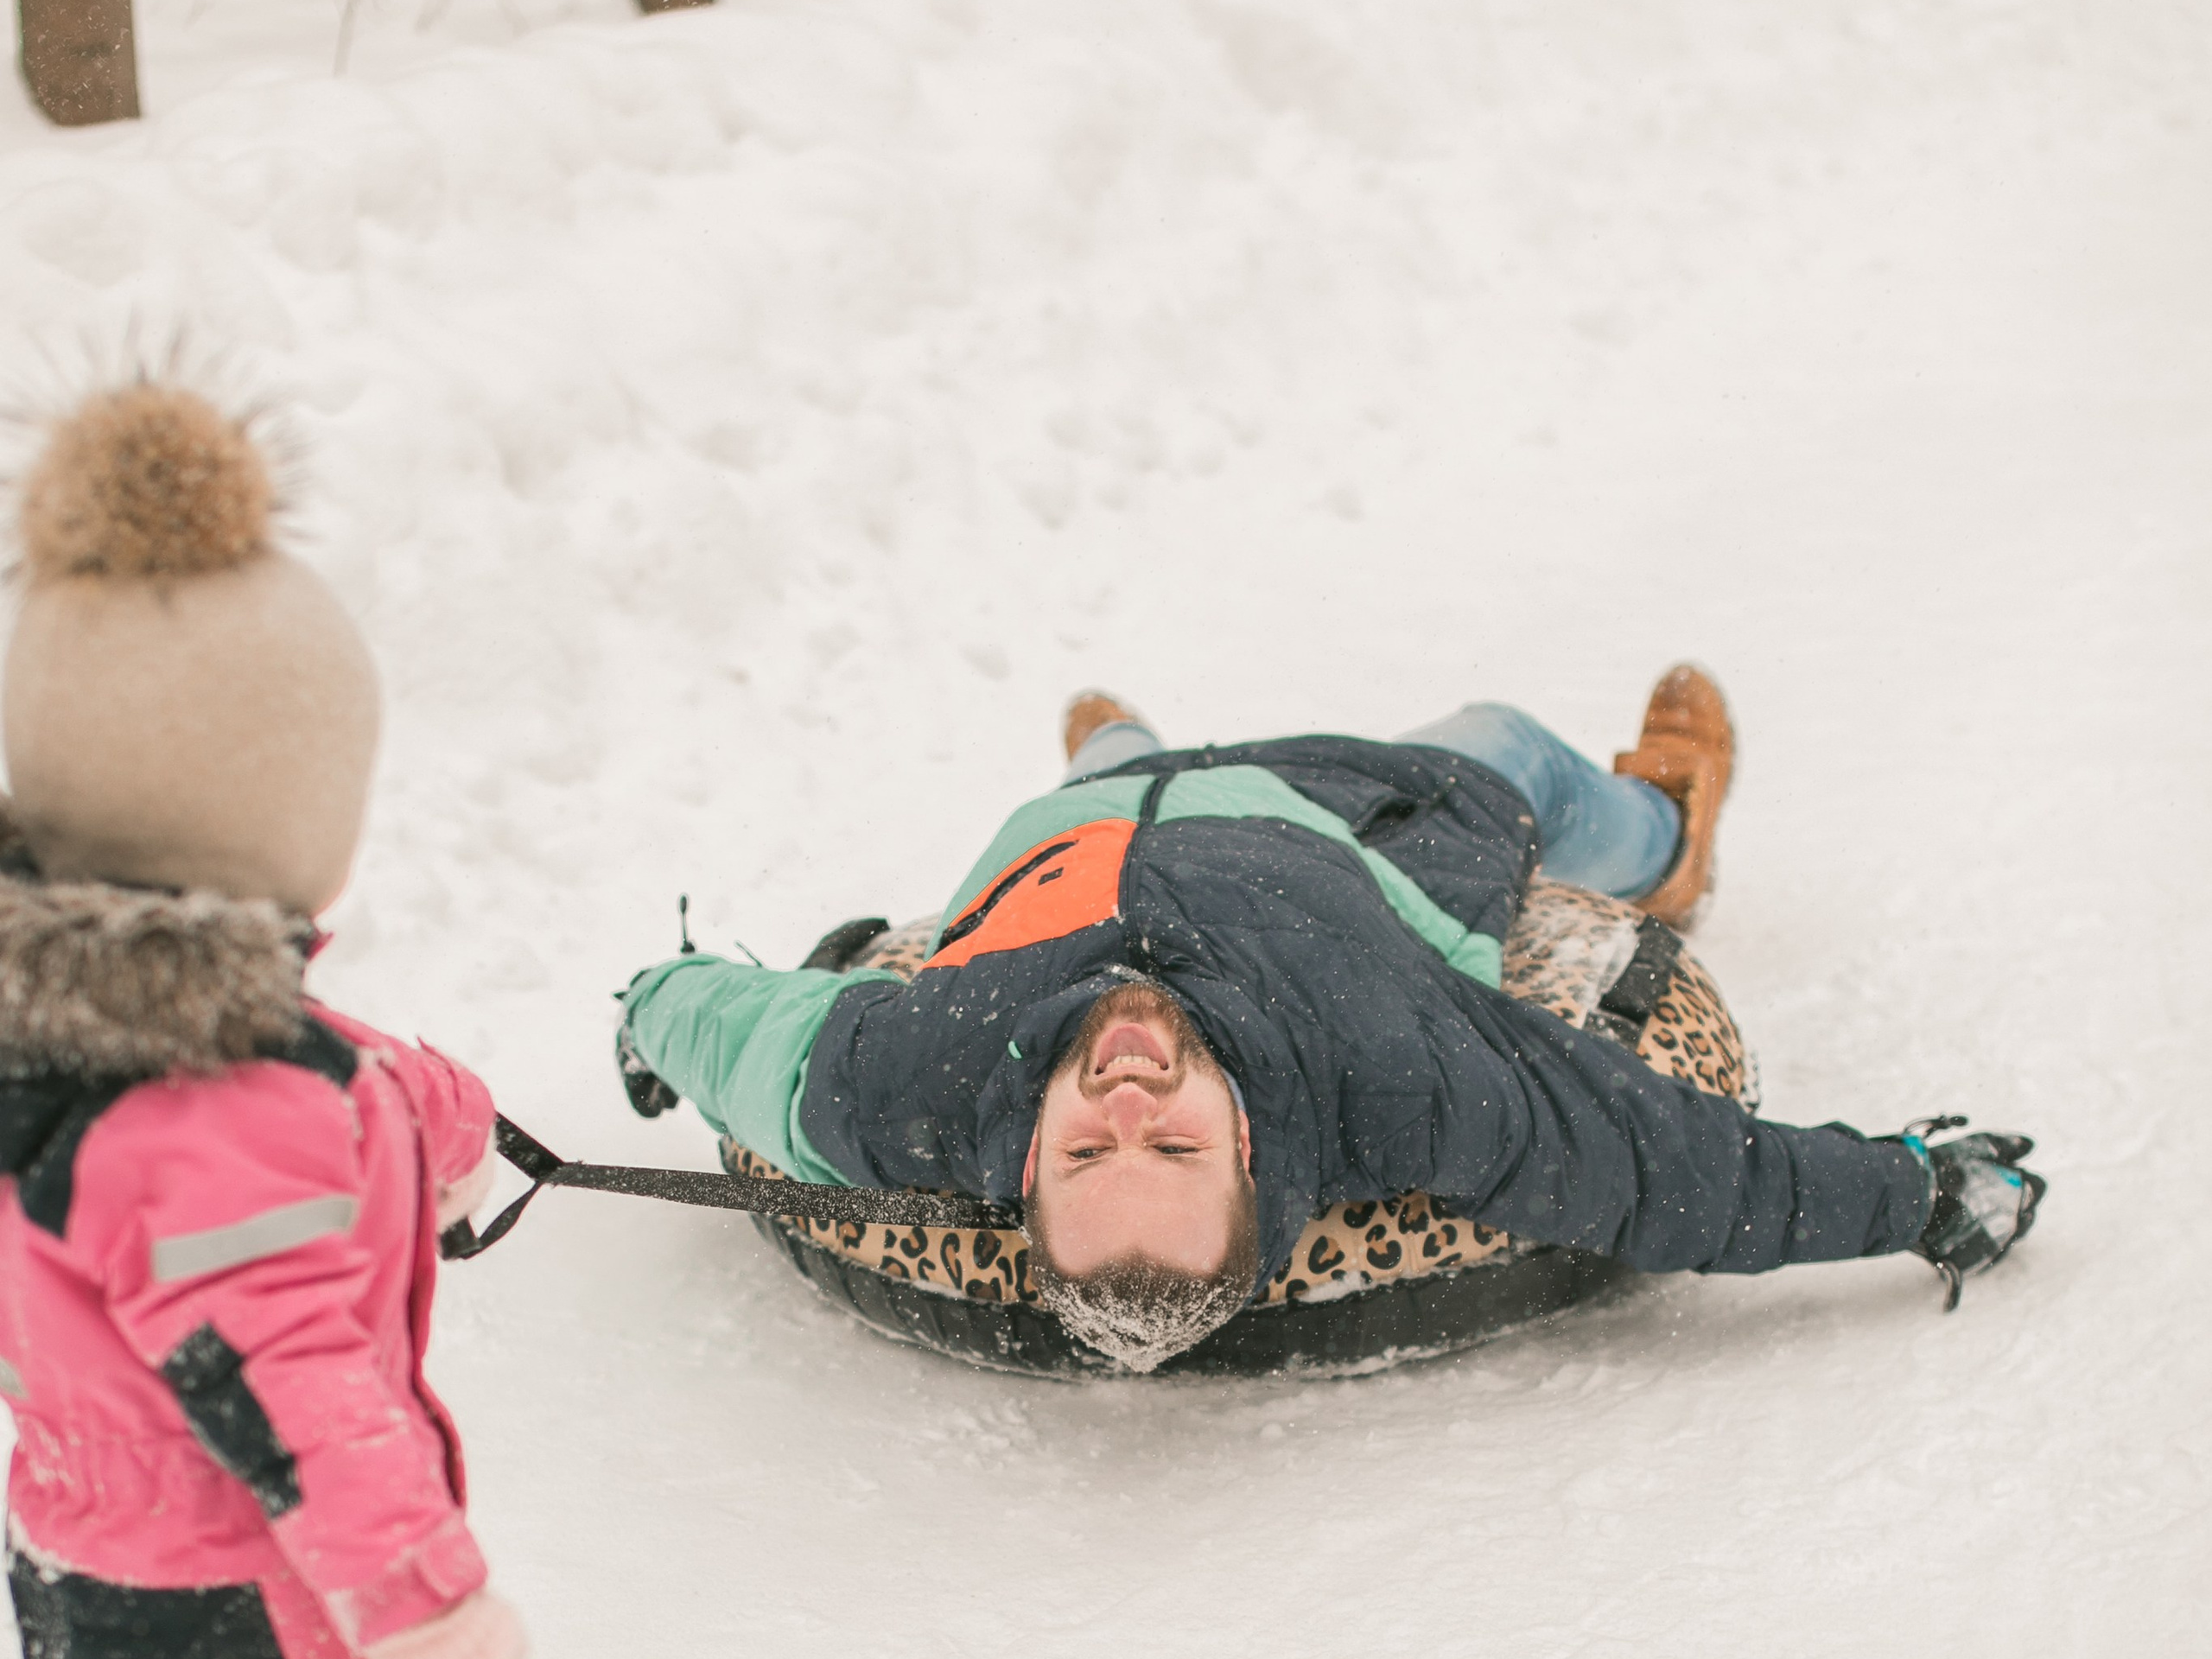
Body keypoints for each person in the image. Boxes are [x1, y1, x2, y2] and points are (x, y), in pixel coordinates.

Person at [0, 384, 588, 1659]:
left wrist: (437, 1121)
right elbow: (299, 1397)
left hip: (111, 1579)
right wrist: (437, 1634)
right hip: (242, 1605)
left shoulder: (90, 1006)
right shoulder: (203, 1116)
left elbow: (327, 1073)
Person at [619, 669, 2042, 1373]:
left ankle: (1120, 751)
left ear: (1025, 1161)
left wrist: (643, 1013)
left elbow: (728, 1028)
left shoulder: (907, 1084)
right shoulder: (1399, 1073)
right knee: (1501, 743)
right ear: (1250, 1146)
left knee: (1112, 749)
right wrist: (1914, 1193)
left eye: (1088, 1153)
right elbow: (1662, 1168)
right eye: (1173, 1150)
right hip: (1351, 816)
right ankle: (1665, 830)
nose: (1124, 1105)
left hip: (1077, 825)